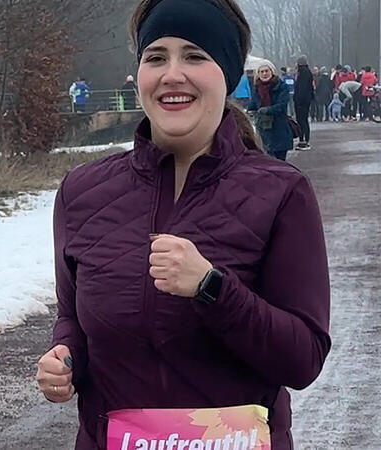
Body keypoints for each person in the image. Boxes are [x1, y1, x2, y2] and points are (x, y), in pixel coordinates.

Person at [37, 1, 330, 449]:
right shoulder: (82, 193)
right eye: (156, 57)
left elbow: (303, 359)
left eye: (195, 56)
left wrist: (213, 288)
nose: (173, 73)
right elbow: (72, 317)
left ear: (228, 75)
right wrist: (65, 358)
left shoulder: (282, 193)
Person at [250, 62, 295, 160]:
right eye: (261, 71)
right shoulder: (257, 88)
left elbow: (282, 105)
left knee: (280, 162)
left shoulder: (282, 87)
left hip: (280, 128)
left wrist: (267, 110)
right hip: (264, 130)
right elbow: (253, 104)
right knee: (268, 161)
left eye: (267, 71)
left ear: (272, 72)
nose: (264, 74)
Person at [293, 56, 314, 149]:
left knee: (301, 120)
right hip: (306, 100)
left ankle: (303, 140)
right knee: (304, 120)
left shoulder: (303, 73)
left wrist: (298, 100)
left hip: (301, 101)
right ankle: (304, 139)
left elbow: (302, 88)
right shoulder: (307, 72)